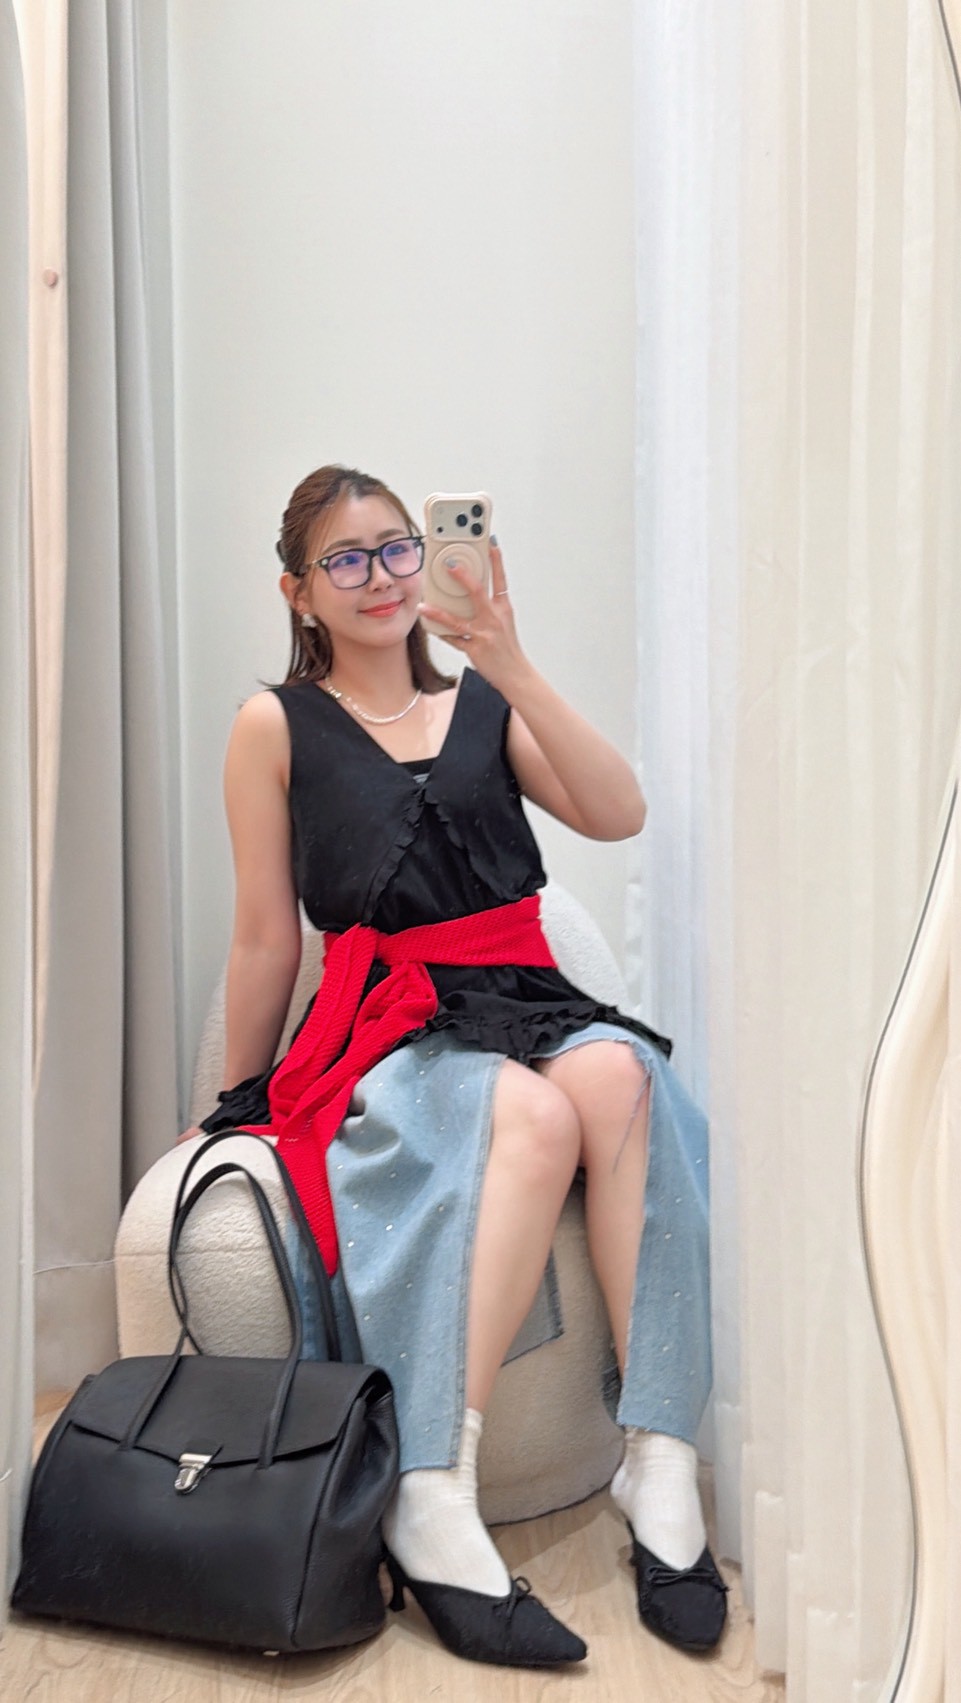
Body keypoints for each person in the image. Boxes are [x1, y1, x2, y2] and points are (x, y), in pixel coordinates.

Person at [185, 463, 726, 1669]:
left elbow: (619, 811)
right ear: (299, 590)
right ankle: (430, 1486)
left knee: (624, 1080)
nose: (380, 575)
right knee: (531, 1119)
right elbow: (266, 933)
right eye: (346, 558)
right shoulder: (273, 724)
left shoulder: (484, 700)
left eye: (396, 548)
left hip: (526, 991)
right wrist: (233, 1098)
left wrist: (510, 657)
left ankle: (657, 1458)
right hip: (391, 1022)